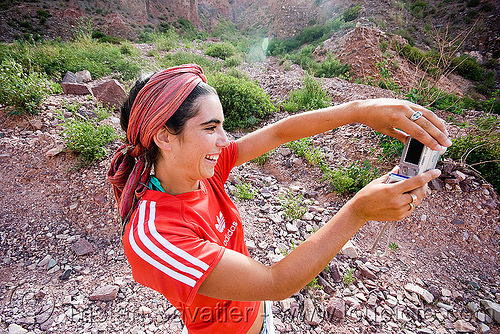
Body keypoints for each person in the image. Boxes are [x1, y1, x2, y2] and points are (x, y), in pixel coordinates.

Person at [107, 64, 451, 334]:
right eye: (211, 129)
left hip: (256, 315)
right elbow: (275, 282)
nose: (225, 142)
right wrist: (358, 210)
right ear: (165, 138)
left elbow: (277, 132)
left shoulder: (195, 172)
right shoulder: (155, 236)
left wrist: (358, 110)